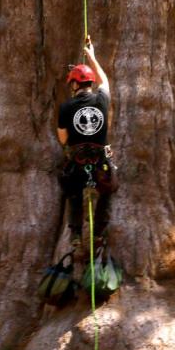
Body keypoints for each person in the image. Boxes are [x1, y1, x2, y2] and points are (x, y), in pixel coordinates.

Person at [57, 37, 118, 254]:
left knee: (72, 192)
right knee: (107, 191)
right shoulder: (101, 99)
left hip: (77, 164)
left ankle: (74, 233)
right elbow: (105, 82)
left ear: (74, 84)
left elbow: (63, 139)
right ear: (90, 84)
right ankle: (99, 233)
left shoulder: (65, 107)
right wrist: (91, 56)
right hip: (100, 163)